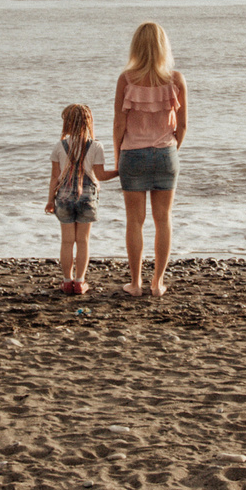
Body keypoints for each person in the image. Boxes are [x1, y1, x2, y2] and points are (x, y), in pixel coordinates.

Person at [111, 21, 190, 298]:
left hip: (132, 154)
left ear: (136, 47)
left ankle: (135, 283)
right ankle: (157, 283)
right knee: (163, 219)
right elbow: (182, 126)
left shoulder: (126, 79)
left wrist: (119, 156)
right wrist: (171, 150)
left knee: (135, 221)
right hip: (166, 153)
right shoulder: (176, 80)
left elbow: (119, 125)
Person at [44, 103, 115, 295]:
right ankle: (80, 281)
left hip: (64, 196)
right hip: (87, 197)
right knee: (83, 241)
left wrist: (50, 200)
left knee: (67, 241)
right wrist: (119, 172)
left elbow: (54, 177)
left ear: (67, 123)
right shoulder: (96, 146)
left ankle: (67, 281)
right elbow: (100, 176)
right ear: (88, 122)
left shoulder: (59, 146)